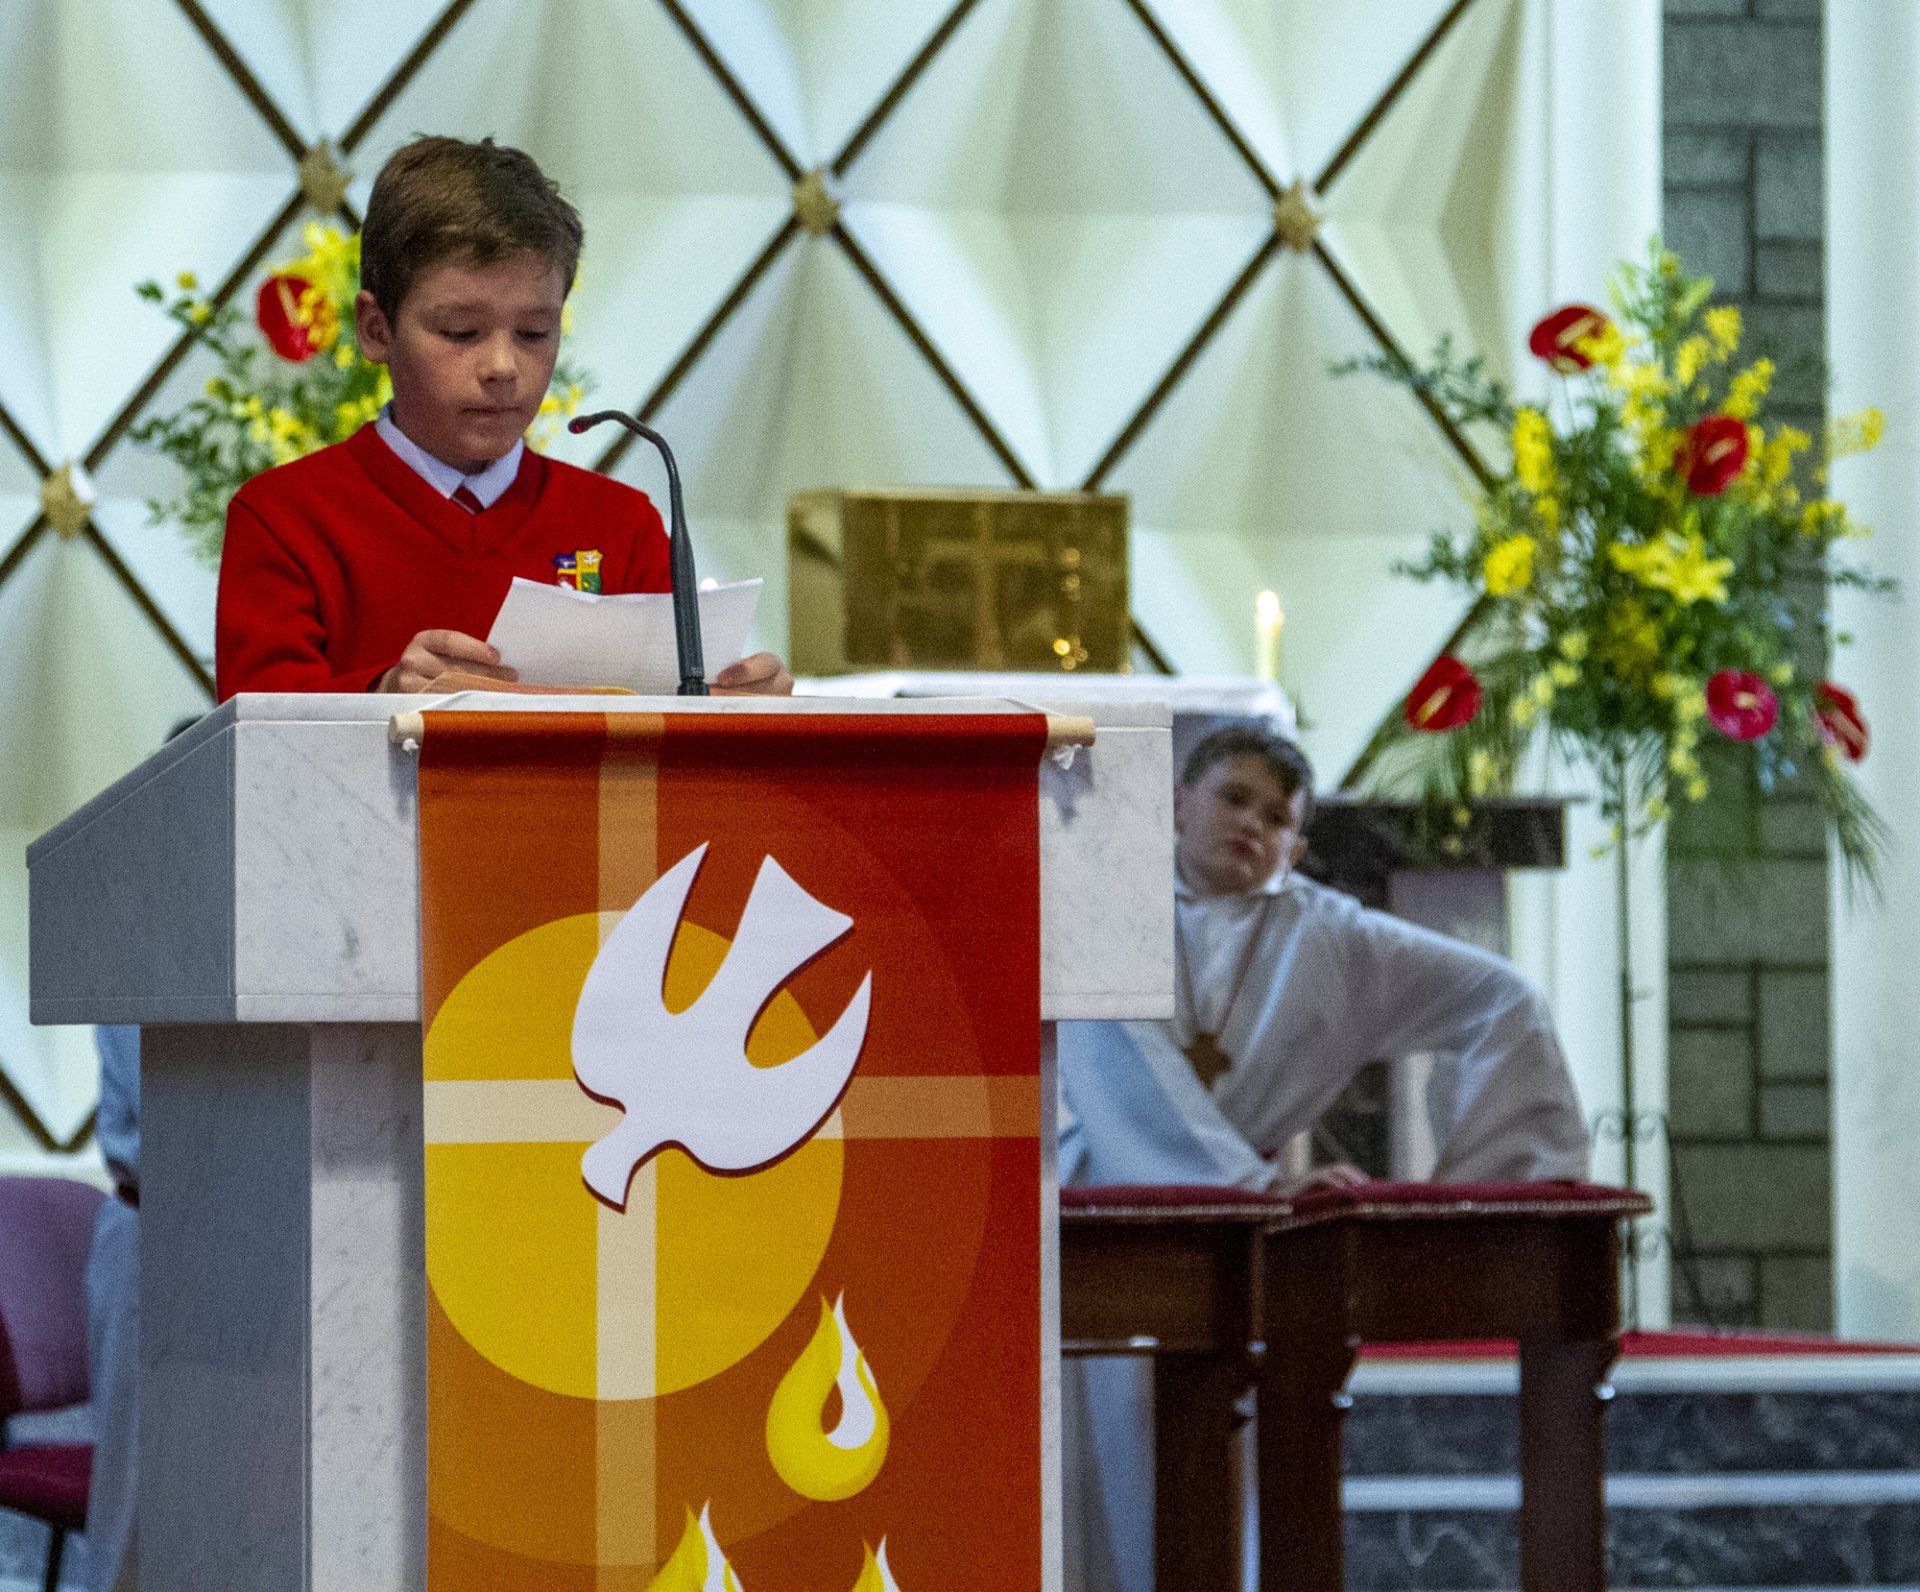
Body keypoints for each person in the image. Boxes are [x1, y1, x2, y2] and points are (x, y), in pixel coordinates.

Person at [1060, 725, 1589, 1592]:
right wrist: (1250, 1184)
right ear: (1177, 803)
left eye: (1277, 818)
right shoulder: (1103, 909)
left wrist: (1475, 1193)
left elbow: (1501, 1001)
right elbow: (1114, 1068)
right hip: (1111, 1224)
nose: (1251, 825)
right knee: (1105, 1464)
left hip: (1262, 1240)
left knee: (1241, 1476)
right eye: (1233, 798)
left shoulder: (1333, 938)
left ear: (1298, 848)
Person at [214, 135, 792, 701]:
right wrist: (384, 692)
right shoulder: (284, 518)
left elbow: (681, 740)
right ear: (376, 329)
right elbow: (252, 745)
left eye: (535, 333)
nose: (502, 366)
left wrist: (742, 711)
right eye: (460, 332)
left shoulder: (621, 526)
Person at [83, 1024, 139, 1592]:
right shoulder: (146, 950)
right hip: (150, 1226)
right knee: (132, 1507)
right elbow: (171, 1105)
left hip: (234, 1228)